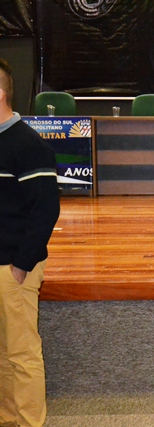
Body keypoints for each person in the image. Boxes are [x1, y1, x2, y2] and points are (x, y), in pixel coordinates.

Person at [0, 59, 61, 427]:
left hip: (13, 267)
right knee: (3, 353)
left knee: (21, 353)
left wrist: (22, 264)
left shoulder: (28, 144)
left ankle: (29, 421)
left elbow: (45, 210)